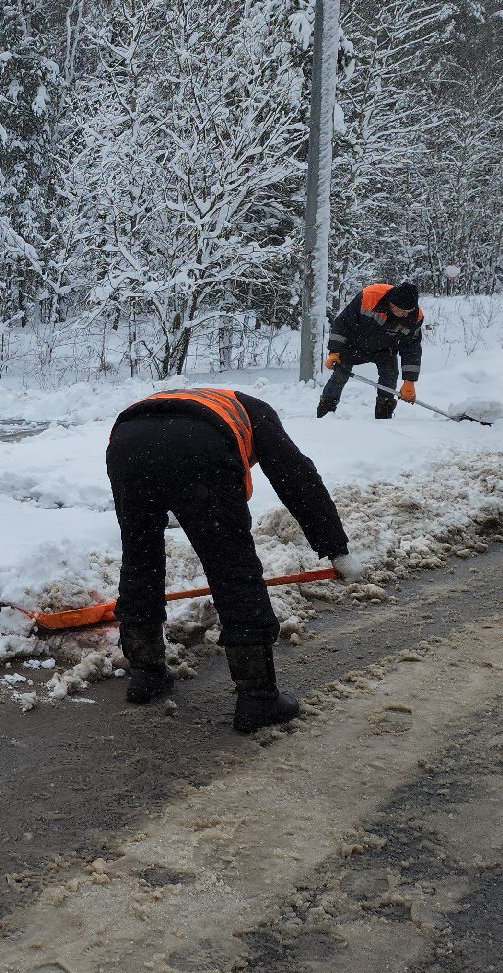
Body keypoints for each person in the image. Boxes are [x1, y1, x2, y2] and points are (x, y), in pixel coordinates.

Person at [107, 387, 365, 733]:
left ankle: (145, 674)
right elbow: (298, 478)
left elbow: (164, 450)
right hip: (198, 444)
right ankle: (257, 698)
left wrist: (170, 495)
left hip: (128, 440)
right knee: (233, 569)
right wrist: (337, 548)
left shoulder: (208, 400)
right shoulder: (259, 415)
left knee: (140, 557)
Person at [316, 281, 424, 419]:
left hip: (385, 349)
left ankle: (383, 417)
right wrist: (334, 352)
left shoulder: (414, 318)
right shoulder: (369, 297)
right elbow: (342, 325)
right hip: (353, 345)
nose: (403, 315)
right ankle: (325, 412)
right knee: (340, 375)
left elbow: (411, 349)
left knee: (390, 377)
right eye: (399, 310)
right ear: (391, 303)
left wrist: (409, 381)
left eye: (406, 312)